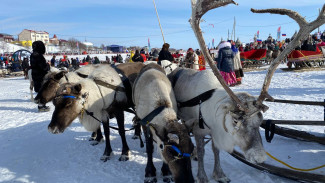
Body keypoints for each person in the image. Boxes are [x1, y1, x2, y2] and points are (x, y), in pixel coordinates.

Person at [30, 41, 50, 112]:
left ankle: (42, 105)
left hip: (35, 75)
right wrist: (47, 65)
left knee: (40, 90)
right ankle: (41, 106)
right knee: (43, 91)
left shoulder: (32, 54)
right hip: (41, 76)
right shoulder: (38, 55)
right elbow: (43, 67)